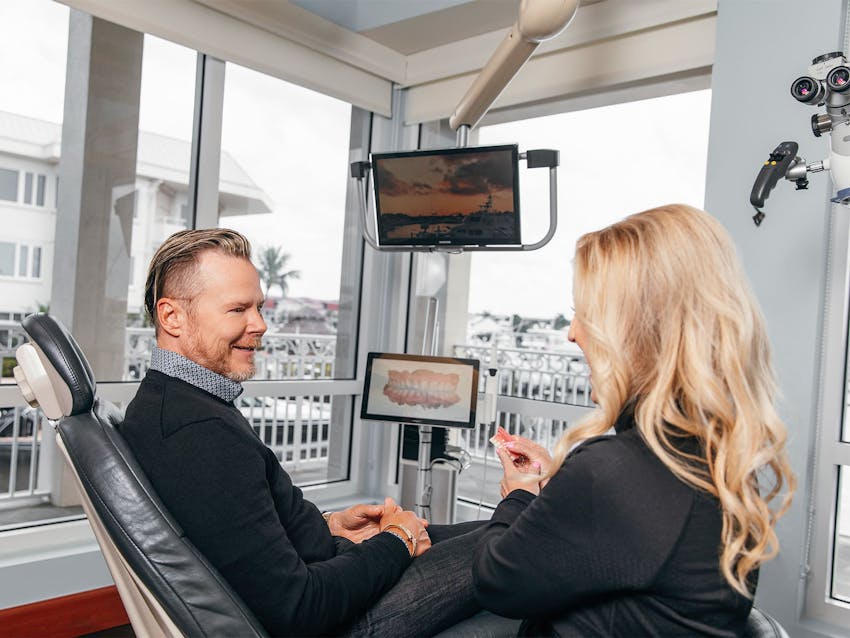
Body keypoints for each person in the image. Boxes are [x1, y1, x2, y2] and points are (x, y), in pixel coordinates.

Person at [118, 228, 492, 637]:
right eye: (237, 309)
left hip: (327, 563)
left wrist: (330, 525)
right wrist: (397, 541)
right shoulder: (198, 433)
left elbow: (240, 531)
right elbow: (297, 609)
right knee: (518, 537)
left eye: (258, 307)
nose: (259, 325)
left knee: (503, 527)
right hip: (336, 622)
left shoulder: (172, 402)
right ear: (172, 316)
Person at [469, 204, 797, 637]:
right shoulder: (719, 452)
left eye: (585, 314)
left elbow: (495, 582)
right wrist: (559, 485)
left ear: (634, 331)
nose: (572, 333)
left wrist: (521, 495)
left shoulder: (612, 472)